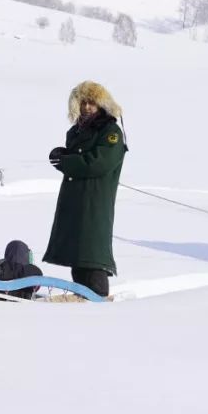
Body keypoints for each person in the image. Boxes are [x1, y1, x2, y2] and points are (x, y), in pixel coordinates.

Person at [43, 81, 128, 297]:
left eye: (92, 102)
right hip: (75, 201)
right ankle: (83, 299)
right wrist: (61, 154)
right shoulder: (77, 131)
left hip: (94, 202)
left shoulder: (111, 132)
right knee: (77, 255)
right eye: (83, 102)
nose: (87, 107)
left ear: (101, 104)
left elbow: (97, 163)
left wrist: (66, 161)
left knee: (92, 255)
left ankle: (97, 299)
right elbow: (79, 156)